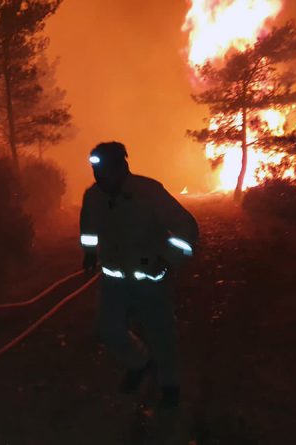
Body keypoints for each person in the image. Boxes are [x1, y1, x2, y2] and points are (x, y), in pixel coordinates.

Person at [80, 142, 198, 409]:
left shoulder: (148, 191)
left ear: (122, 166)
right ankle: (140, 362)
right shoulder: (93, 196)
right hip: (114, 279)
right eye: (95, 171)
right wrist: (89, 253)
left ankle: (170, 387)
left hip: (150, 280)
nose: (99, 177)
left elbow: (186, 227)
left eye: (105, 170)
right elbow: (87, 228)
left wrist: (169, 261)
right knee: (109, 329)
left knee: (161, 333)